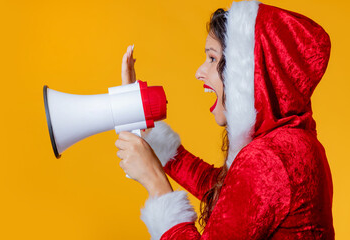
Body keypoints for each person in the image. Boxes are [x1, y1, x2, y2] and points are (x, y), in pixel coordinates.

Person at [115, 1, 334, 239]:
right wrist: (143, 123)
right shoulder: (292, 143)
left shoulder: (268, 159)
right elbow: (226, 192)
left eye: (212, 58)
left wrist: (154, 181)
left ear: (245, 73)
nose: (199, 71)